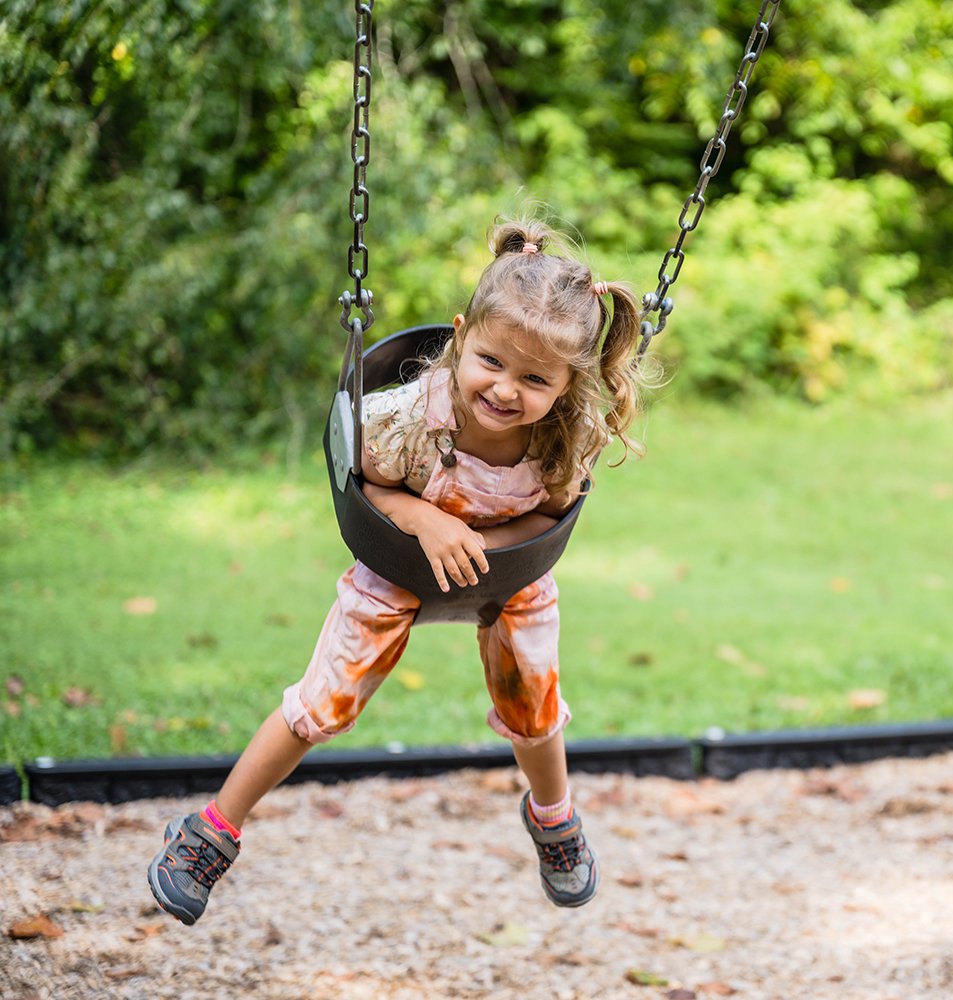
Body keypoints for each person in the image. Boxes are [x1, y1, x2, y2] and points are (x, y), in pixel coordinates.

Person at [147, 218, 653, 924]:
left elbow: (551, 517)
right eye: (491, 363)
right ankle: (211, 831)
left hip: (510, 574)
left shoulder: (564, 439)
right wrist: (428, 520)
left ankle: (555, 817)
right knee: (321, 703)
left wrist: (487, 545)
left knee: (534, 705)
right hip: (396, 555)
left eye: (535, 378)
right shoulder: (408, 417)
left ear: (568, 383)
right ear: (458, 338)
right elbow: (368, 484)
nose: (507, 390)